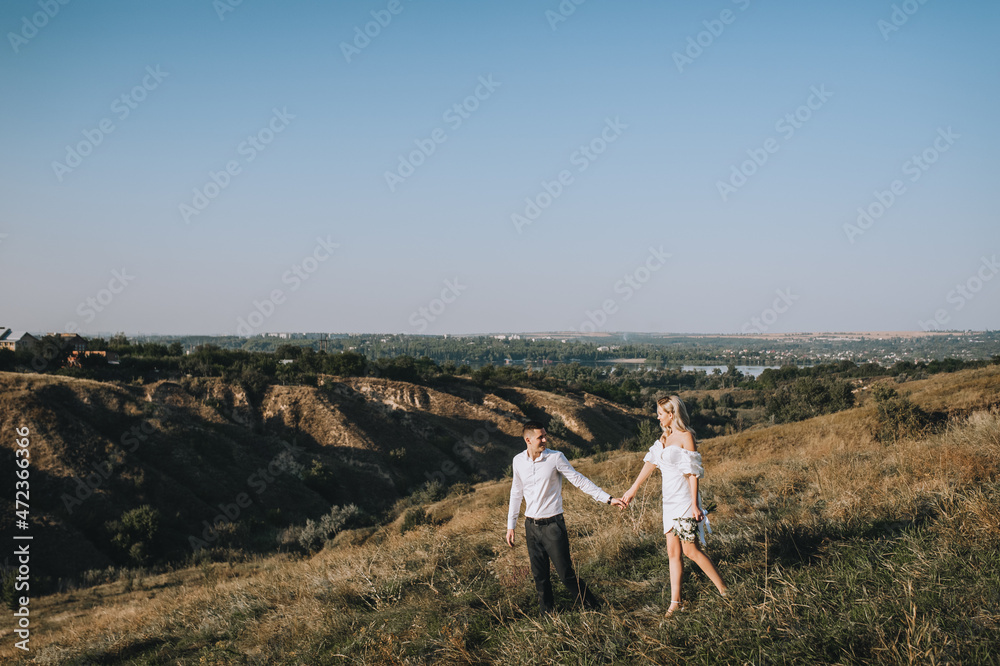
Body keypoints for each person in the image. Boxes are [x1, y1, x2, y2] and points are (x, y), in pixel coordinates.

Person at [621, 395, 727, 615]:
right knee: (672, 552)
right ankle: (675, 603)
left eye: (660, 414)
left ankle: (725, 591)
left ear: (671, 414)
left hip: (685, 501)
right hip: (668, 502)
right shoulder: (663, 438)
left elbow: (693, 473)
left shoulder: (686, 437)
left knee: (690, 551)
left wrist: (696, 505)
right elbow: (650, 463)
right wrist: (633, 489)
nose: (658, 417)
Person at [506, 420, 625, 614]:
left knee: (565, 573)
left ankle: (594, 608)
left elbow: (579, 480)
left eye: (545, 435)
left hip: (553, 525)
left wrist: (608, 498)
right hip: (531, 527)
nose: (545, 439)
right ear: (528, 440)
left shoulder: (555, 458)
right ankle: (548, 615)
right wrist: (511, 525)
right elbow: (516, 492)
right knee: (539, 576)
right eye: (540, 437)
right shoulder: (518, 461)